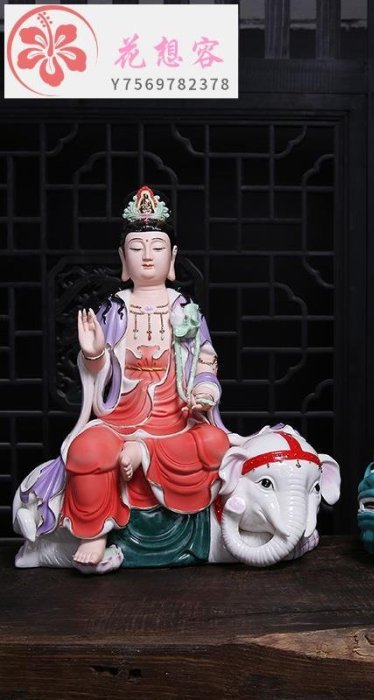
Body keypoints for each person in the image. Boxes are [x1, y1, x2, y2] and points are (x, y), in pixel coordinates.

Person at [15, 186, 232, 572]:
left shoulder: (187, 311)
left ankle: (143, 455)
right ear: (122, 258)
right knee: (85, 450)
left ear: (172, 257)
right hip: (120, 420)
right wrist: (94, 352)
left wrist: (203, 390)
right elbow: (98, 377)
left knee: (216, 443)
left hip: (175, 422)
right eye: (136, 247)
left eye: (157, 247)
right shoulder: (114, 309)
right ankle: (95, 530)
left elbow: (206, 361)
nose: (147, 255)